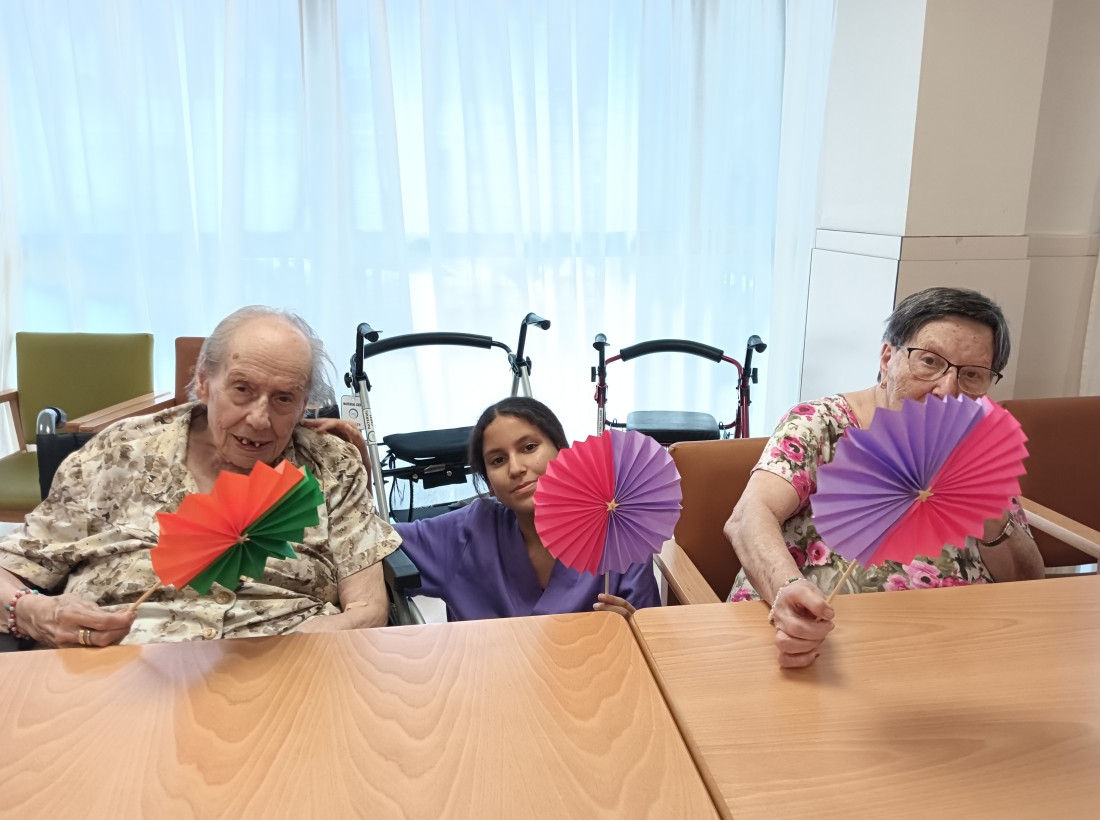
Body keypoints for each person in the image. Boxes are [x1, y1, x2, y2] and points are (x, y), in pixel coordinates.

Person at [0, 306, 400, 648]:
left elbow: (367, 610)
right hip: (124, 669)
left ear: (304, 405)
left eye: (284, 398)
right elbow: (9, 569)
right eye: (242, 389)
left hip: (285, 667)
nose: (259, 419)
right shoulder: (118, 453)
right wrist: (35, 612)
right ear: (204, 382)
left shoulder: (329, 464)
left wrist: (302, 651)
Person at [724, 287, 1043, 669]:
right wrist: (788, 590)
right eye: (929, 361)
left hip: (953, 650)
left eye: (972, 375)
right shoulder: (822, 425)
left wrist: (985, 503)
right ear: (888, 357)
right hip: (817, 646)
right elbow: (749, 516)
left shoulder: (979, 443)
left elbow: (1026, 583)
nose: (947, 390)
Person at [393, 397, 661, 621]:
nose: (516, 468)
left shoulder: (620, 533)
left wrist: (630, 626)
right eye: (498, 460)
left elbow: (651, 636)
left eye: (529, 447)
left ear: (562, 452)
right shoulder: (467, 532)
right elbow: (377, 540)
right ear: (488, 481)